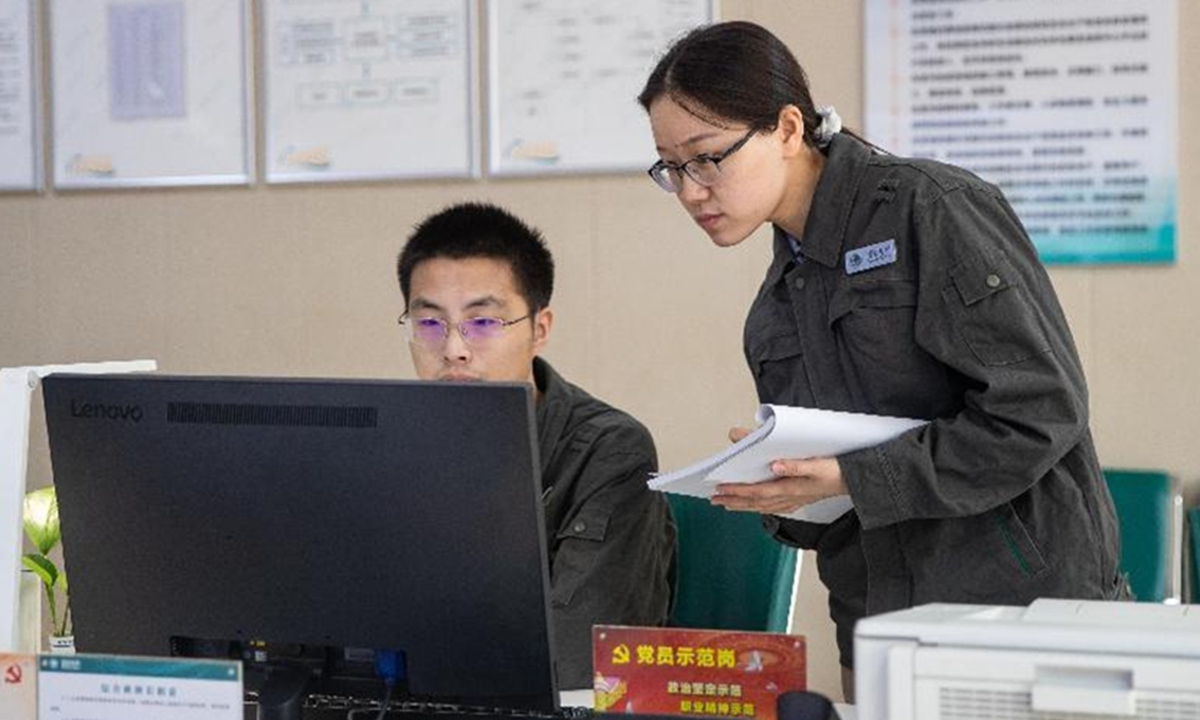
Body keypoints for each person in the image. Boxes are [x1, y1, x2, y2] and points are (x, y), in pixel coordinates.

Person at [638, 21, 1124, 702]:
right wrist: (780, 489)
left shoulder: (932, 209)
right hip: (876, 630)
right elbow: (841, 496)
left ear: (786, 128)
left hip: (1020, 621)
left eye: (706, 158)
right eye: (670, 168)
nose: (691, 191)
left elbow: (1039, 411)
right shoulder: (774, 309)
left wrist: (853, 477)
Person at [395, 201, 676, 689]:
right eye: (430, 324)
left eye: (483, 323)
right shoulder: (388, 448)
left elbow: (580, 659)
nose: (454, 349)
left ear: (539, 329)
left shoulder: (608, 452)